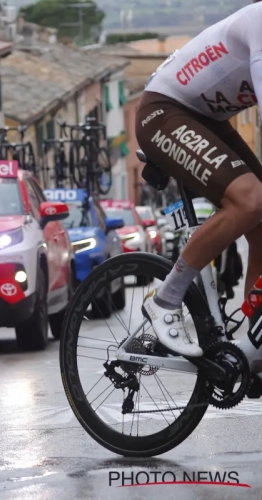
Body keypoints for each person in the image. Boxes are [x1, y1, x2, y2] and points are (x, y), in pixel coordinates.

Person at [136, 1, 262, 358]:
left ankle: (251, 347)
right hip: (163, 111)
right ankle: (166, 298)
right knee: (251, 199)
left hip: (206, 120)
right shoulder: (260, 23)